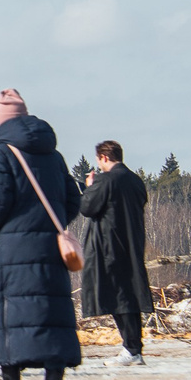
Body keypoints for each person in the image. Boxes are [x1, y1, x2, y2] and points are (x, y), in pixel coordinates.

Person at [0, 89, 82, 380]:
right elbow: (72, 199)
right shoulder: (53, 155)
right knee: (53, 318)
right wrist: (48, 224)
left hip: (12, 247)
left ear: (0, 121)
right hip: (50, 247)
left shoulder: (1, 152)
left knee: (11, 319)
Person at [80, 140, 152, 367]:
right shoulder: (135, 180)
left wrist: (90, 186)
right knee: (129, 296)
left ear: (103, 157)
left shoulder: (106, 180)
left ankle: (131, 349)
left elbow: (88, 208)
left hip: (109, 247)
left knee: (119, 298)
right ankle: (133, 348)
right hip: (132, 243)